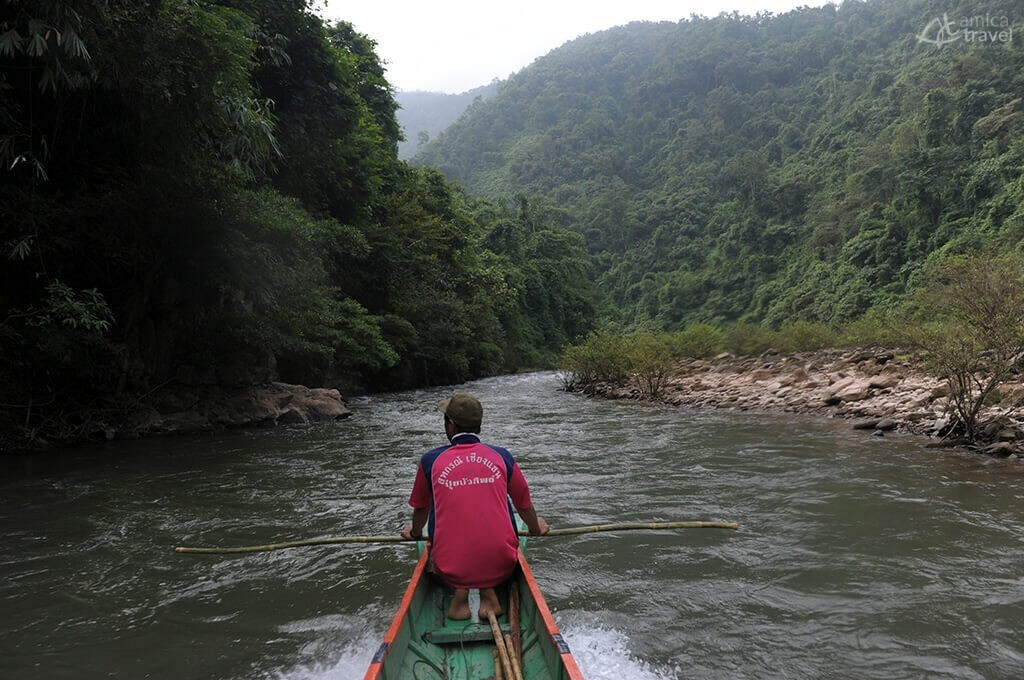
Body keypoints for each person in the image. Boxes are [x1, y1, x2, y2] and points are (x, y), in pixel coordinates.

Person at [402, 391, 550, 620]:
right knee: (492, 527)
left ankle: (459, 600)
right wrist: (536, 528)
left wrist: (414, 532)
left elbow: (421, 509)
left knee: (445, 527)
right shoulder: (502, 456)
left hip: (448, 569)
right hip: (502, 565)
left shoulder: (430, 461)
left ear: (450, 425)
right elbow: (524, 505)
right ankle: (488, 595)